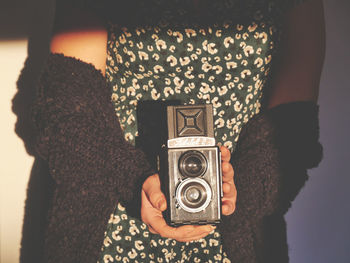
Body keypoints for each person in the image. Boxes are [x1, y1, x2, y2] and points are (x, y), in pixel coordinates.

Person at [17, 0, 325, 262]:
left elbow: (292, 126)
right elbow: (68, 109)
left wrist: (238, 191)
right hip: (112, 221)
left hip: (237, 232)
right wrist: (134, 180)